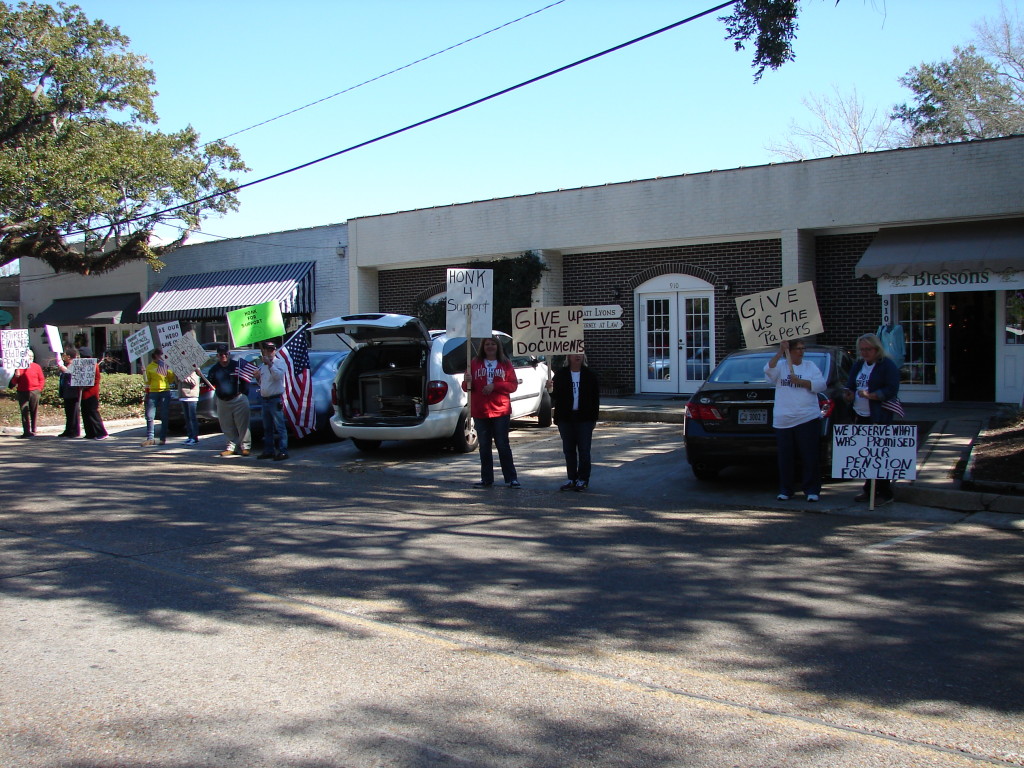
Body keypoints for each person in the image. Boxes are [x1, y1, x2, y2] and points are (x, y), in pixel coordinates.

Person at [764, 339, 826, 502]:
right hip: (784, 419)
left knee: (809, 455)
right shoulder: (781, 366)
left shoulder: (810, 366)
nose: (801, 351)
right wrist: (779, 351)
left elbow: (821, 385)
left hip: (807, 417)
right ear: (789, 351)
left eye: (803, 348)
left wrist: (802, 382)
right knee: (786, 457)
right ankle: (786, 489)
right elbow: (769, 371)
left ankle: (811, 490)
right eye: (798, 348)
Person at [844, 332, 901, 505]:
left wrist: (872, 395)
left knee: (880, 455)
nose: (865, 353)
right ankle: (868, 489)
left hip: (879, 415)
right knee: (866, 455)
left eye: (868, 349)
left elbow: (891, 389)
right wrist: (849, 394)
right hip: (860, 414)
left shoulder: (887, 365)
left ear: (877, 349)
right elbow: (851, 385)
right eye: (862, 350)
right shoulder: (859, 364)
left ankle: (885, 492)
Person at [462, 336, 520, 488]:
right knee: (484, 446)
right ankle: (487, 479)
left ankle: (511, 478)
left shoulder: (505, 363)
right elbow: (466, 388)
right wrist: (466, 380)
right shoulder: (473, 363)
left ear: (498, 346)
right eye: (487, 344)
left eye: (493, 344)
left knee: (502, 444)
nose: (490, 346)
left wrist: (495, 386)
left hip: (500, 410)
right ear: (482, 347)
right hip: (480, 411)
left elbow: (513, 385)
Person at [547, 353, 600, 491]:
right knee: (569, 450)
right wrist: (550, 388)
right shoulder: (561, 374)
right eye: (574, 354)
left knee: (584, 450)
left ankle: (583, 479)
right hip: (566, 417)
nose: (577, 356)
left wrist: (594, 418)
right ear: (568, 357)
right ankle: (572, 478)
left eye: (580, 354)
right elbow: (555, 395)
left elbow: (595, 399)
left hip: (585, 418)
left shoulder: (589, 375)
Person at [205, 343, 251, 457]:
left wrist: (244, 394)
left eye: (225, 354)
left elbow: (246, 380)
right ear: (218, 356)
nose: (223, 356)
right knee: (227, 425)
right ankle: (231, 447)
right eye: (221, 354)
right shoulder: (214, 369)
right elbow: (210, 383)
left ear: (228, 354)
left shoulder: (237, 366)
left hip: (238, 398)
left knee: (243, 425)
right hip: (223, 401)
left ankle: (245, 447)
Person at [254, 340, 288, 461]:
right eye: (267, 349)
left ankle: (283, 451)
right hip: (265, 399)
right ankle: (269, 450)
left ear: (275, 350)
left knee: (280, 427)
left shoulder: (279, 362)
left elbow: (278, 377)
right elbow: (263, 383)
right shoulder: (262, 365)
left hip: (275, 399)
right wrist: (257, 377)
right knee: (267, 427)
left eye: (271, 349)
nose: (269, 351)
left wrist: (270, 365)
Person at [141, 349, 175, 446]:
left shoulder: (164, 365)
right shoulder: (150, 367)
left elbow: (171, 379)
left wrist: (170, 371)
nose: (161, 357)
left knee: (164, 415)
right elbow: (147, 382)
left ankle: (162, 438)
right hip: (153, 392)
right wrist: (144, 373)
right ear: (155, 356)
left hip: (165, 391)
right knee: (150, 415)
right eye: (160, 355)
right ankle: (150, 438)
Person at [9, 349, 45, 438]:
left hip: (34, 391)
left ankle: (33, 429)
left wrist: (39, 389)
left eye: (31, 356)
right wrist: (16, 376)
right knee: (24, 410)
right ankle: (26, 431)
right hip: (22, 392)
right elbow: (13, 383)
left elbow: (41, 379)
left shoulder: (37, 366)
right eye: (28, 356)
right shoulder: (19, 367)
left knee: (34, 410)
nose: (30, 358)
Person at [79, 356, 108, 440]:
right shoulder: (83, 365)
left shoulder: (93, 365)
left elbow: (96, 379)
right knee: (85, 413)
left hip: (91, 393)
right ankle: (90, 433)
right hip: (84, 393)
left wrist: (86, 385)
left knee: (93, 413)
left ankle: (101, 432)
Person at [56, 348, 82, 437]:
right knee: (68, 412)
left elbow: (71, 374)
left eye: (65, 355)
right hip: (67, 392)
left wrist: (64, 369)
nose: (64, 356)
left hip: (73, 392)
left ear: (69, 356)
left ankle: (74, 431)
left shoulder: (75, 365)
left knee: (73, 412)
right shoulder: (68, 365)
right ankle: (68, 429)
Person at [177, 367, 203, 446]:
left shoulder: (193, 372)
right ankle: (190, 436)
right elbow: (177, 382)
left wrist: (183, 377)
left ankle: (194, 438)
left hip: (191, 397)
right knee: (187, 418)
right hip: (183, 396)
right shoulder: (181, 371)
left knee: (192, 418)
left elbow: (194, 382)